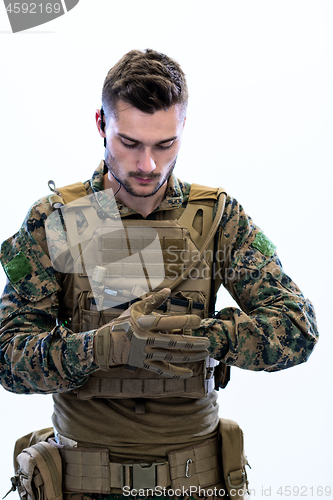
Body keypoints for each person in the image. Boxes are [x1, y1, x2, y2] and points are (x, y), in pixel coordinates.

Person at [0, 49, 318, 500]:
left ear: (183, 129)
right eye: (129, 143)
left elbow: (298, 328)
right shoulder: (57, 220)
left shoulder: (218, 218)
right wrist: (98, 349)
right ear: (100, 125)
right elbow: (8, 357)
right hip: (80, 485)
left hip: (200, 482)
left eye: (164, 144)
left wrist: (207, 338)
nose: (147, 165)